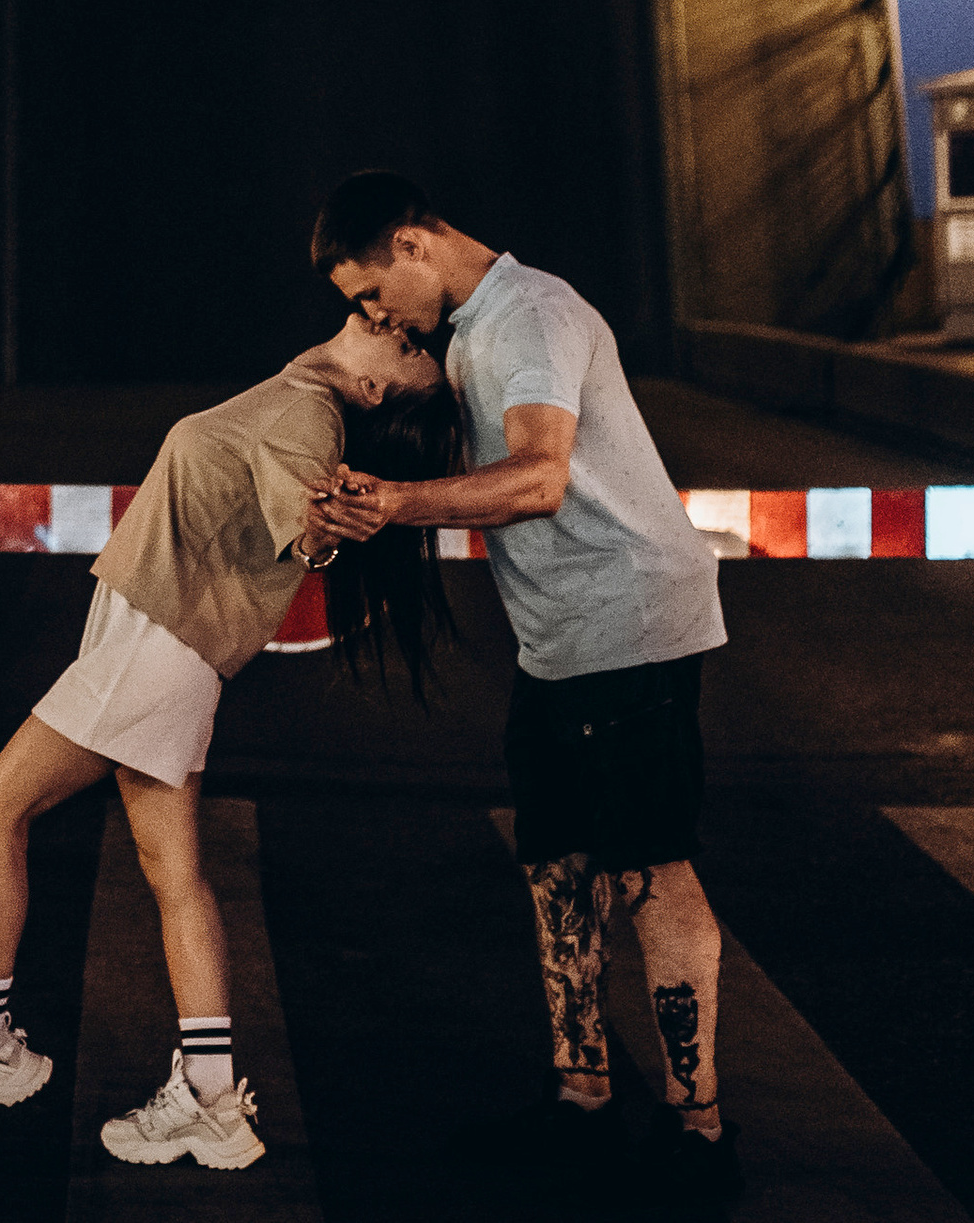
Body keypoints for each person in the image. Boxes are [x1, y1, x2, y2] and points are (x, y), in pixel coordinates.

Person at [0, 282, 457, 1171]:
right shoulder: (296, 387)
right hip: (159, 644)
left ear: (381, 392)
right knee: (176, 874)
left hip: (156, 645)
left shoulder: (309, 419)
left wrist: (323, 529)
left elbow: (307, 523)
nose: (398, 327)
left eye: (414, 348)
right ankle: (211, 1100)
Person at [309, 171, 736, 1203]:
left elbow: (542, 477)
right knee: (555, 866)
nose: (371, 317)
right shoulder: (467, 333)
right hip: (558, 643)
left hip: (629, 627)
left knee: (648, 871)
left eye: (370, 294)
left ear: (413, 243)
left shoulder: (532, 317)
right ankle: (582, 1104)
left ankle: (699, 1128)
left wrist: (400, 503)